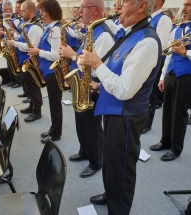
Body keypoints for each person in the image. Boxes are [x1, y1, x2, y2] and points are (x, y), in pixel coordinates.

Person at [78, 0, 161, 213]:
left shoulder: (147, 41)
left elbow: (125, 90)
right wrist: (99, 84)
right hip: (113, 109)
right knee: (112, 164)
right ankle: (110, 194)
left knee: (121, 170)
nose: (117, 6)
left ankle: (118, 208)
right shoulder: (130, 33)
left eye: (124, 1)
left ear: (142, 5)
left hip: (126, 116)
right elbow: (118, 72)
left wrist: (97, 64)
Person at [59, 0, 115, 178]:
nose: (80, 12)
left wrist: (72, 55)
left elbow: (96, 66)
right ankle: (85, 151)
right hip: (83, 83)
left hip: (93, 86)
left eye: (83, 8)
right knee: (81, 122)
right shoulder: (92, 30)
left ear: (96, 10)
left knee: (92, 127)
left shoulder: (104, 35)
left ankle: (96, 161)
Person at [149, 0, 191, 161]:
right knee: (167, 111)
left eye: (188, 5)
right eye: (184, 5)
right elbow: (168, 54)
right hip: (172, 73)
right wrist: (162, 77)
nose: (184, 8)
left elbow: (180, 51)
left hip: (186, 75)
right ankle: (165, 141)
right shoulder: (177, 28)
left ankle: (176, 148)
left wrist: (185, 52)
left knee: (178, 113)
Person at [28, 0, 63, 141]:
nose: (40, 14)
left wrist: (38, 52)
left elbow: (56, 56)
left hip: (53, 72)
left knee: (55, 104)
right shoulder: (50, 27)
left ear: (50, 11)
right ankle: (53, 129)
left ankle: (56, 134)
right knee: (53, 103)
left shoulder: (56, 29)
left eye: (43, 11)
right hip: (48, 71)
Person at [7, 1, 43, 122]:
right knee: (29, 87)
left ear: (30, 12)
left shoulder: (35, 27)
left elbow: (32, 48)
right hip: (24, 60)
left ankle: (37, 112)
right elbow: (24, 40)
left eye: (23, 11)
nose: (20, 13)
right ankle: (32, 106)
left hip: (31, 62)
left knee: (33, 88)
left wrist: (15, 43)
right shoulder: (27, 25)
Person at [142, 0, 172, 134]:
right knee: (144, 93)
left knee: (151, 94)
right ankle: (142, 119)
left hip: (155, 61)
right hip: (145, 60)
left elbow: (163, 44)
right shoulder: (149, 18)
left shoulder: (164, 19)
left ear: (158, 2)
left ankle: (147, 123)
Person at [0, 0, 22, 89]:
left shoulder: (15, 19)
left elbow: (14, 32)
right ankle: (13, 79)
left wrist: (2, 33)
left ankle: (18, 80)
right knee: (9, 63)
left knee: (15, 63)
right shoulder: (6, 18)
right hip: (8, 43)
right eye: (3, 10)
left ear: (10, 10)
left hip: (14, 44)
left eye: (5, 10)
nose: (3, 12)